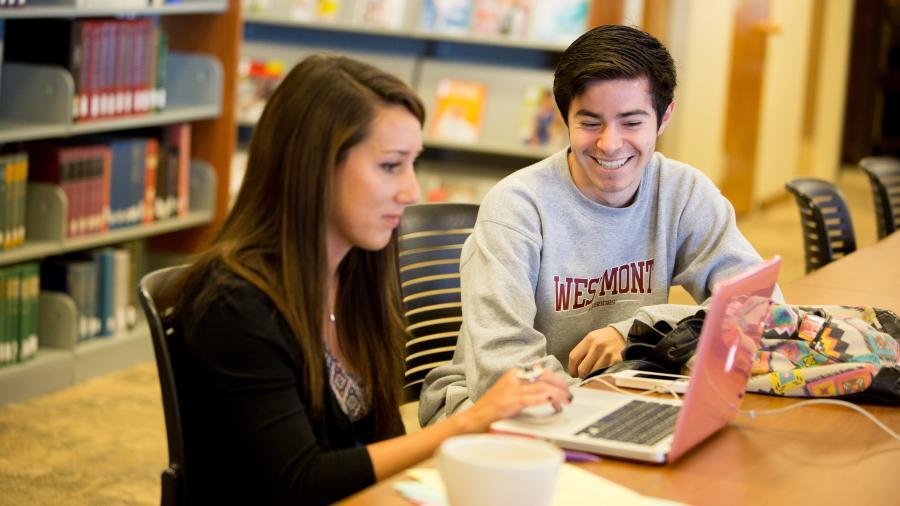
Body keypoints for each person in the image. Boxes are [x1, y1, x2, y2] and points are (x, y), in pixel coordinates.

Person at [170, 54, 571, 505]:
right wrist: (467, 423)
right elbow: (299, 483)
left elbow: (381, 438)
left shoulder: (358, 272)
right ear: (314, 165)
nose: (412, 191)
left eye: (413, 164)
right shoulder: (234, 304)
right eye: (390, 166)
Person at [418, 25, 783, 426]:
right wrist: (605, 410)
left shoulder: (682, 192)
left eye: (631, 122)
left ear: (664, 118)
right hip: (489, 402)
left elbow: (761, 306)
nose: (610, 144)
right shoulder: (516, 208)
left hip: (614, 392)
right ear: (565, 118)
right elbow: (504, 370)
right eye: (590, 123)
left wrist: (637, 332)